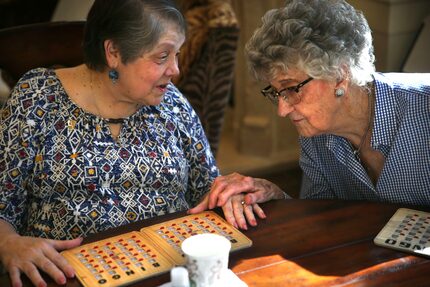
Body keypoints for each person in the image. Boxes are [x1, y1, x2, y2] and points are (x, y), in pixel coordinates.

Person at [0, 1, 224, 286]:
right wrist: (7, 242)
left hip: (170, 275)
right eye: (162, 56)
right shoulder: (38, 98)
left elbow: (209, 188)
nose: (176, 70)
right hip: (70, 278)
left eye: (177, 55)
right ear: (114, 52)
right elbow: (3, 204)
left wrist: (232, 192)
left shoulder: (171, 102)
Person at [190, 0, 430, 229]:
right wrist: (276, 197)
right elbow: (322, 217)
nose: (282, 110)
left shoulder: (424, 109)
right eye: (276, 93)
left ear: (340, 75)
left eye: (292, 89)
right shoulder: (315, 137)